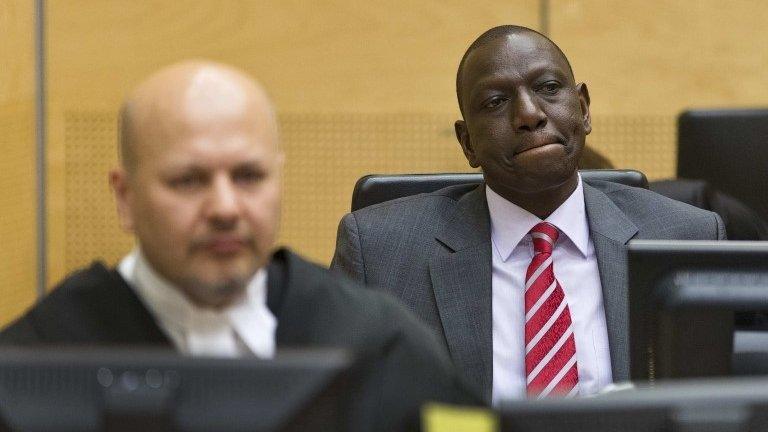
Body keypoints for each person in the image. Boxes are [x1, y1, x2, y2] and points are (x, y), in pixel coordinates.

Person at [0, 61, 474, 431]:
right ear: (125, 197)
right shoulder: (36, 362)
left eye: (249, 177)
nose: (225, 207)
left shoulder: (377, 346)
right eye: (188, 180)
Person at [331, 25, 726, 403]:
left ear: (584, 109)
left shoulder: (686, 237)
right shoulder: (381, 253)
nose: (529, 113)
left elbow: (715, 406)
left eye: (549, 88)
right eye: (496, 102)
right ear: (467, 142)